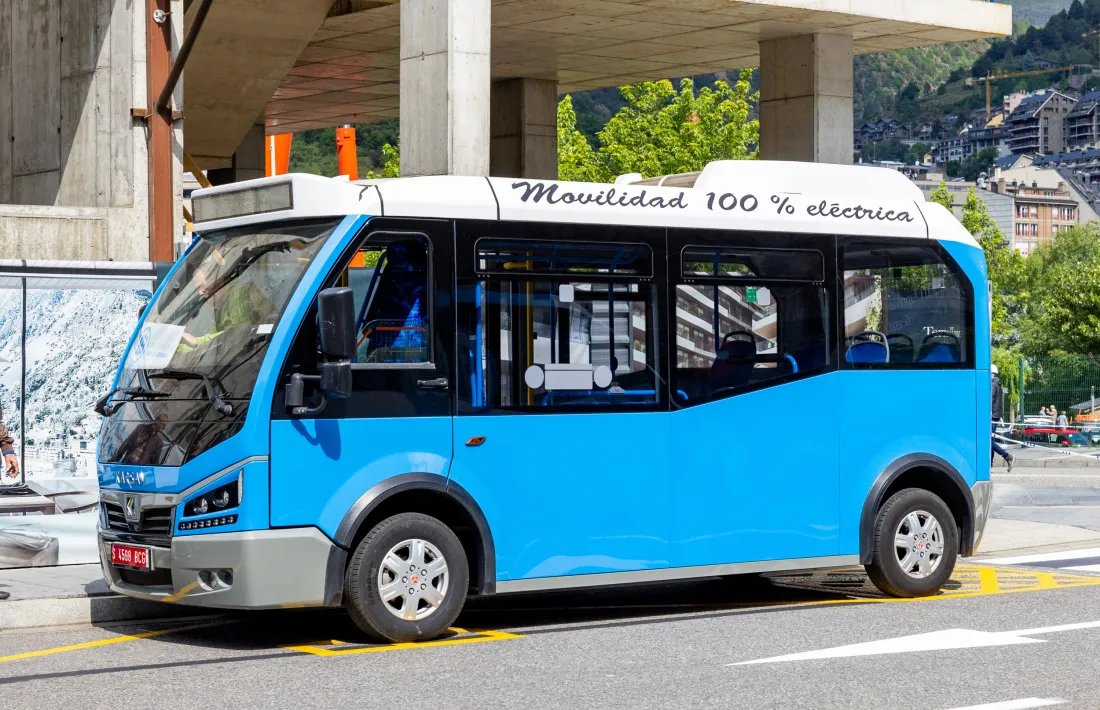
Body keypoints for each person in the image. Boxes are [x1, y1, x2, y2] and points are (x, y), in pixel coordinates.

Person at [991, 365, 1014, 472]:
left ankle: (1007, 456)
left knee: (988, 440)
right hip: (996, 415)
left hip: (991, 416)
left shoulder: (992, 385)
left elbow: (990, 400)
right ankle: (989, 464)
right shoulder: (998, 385)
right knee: (990, 440)